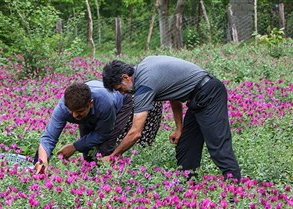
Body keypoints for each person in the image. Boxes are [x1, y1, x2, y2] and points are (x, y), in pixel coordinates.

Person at [101, 55, 241, 182]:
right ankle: (190, 188)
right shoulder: (144, 66)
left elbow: (135, 132)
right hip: (197, 97)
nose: (122, 93)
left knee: (218, 146)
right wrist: (179, 128)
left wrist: (114, 156)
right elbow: (173, 92)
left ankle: (235, 191)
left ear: (126, 77)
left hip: (209, 93)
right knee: (186, 148)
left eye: (120, 88)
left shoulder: (144, 85)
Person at [33, 80, 163, 174]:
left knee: (105, 147)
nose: (74, 115)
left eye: (79, 111)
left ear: (90, 103)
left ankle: (109, 179)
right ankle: (90, 175)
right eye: (71, 111)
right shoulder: (63, 108)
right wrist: (43, 162)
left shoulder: (106, 104)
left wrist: (74, 147)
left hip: (121, 102)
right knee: (87, 151)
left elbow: (102, 134)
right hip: (93, 104)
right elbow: (48, 137)